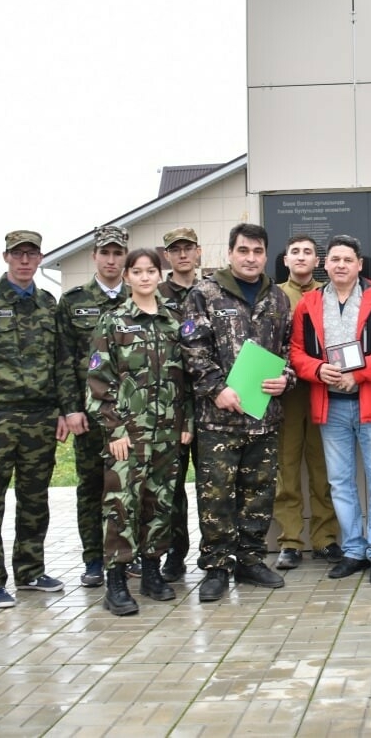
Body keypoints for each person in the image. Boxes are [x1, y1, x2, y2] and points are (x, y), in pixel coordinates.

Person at [0, 230, 72, 608]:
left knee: (34, 501)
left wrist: (61, 410)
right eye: (18, 254)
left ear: (40, 258)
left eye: (32, 254)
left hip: (40, 418)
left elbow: (60, 362)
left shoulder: (47, 303)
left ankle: (30, 571)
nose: (25, 261)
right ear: (6, 257)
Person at [181, 223, 294, 602]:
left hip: (264, 417)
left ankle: (249, 559)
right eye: (243, 250)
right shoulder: (204, 294)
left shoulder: (277, 298)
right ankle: (216, 566)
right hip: (219, 419)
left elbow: (288, 350)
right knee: (216, 495)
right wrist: (217, 388)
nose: (250, 258)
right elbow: (192, 348)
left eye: (257, 251)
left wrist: (286, 379)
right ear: (230, 253)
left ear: (266, 254)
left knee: (258, 493)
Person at [290, 235, 371, 586]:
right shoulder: (308, 304)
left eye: (348, 259)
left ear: (359, 264)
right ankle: (354, 550)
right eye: (335, 259)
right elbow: (296, 351)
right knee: (340, 483)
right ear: (326, 265)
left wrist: (360, 373)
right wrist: (315, 370)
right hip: (331, 408)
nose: (341, 265)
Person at [86, 248, 193, 615]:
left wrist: (187, 423)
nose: (145, 277)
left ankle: (152, 572)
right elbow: (99, 382)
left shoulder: (174, 322)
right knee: (121, 506)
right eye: (138, 271)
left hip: (167, 435)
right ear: (128, 277)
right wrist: (114, 430)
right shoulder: (113, 322)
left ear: (159, 276)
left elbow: (188, 379)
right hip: (128, 437)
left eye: (151, 271)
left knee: (160, 504)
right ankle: (115, 582)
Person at [57, 224, 130, 589]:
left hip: (131, 415)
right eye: (106, 253)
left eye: (118, 253)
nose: (112, 260)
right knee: (91, 487)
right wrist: (70, 410)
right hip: (88, 416)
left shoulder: (139, 297)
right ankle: (94, 559)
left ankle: (127, 554)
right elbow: (63, 360)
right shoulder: (73, 302)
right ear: (94, 256)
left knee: (129, 486)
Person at [273, 235, 342, 570]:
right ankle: (289, 540)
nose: (301, 257)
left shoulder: (329, 294)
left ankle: (325, 537)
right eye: (295, 252)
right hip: (286, 396)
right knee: (286, 469)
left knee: (322, 467)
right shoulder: (272, 296)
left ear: (318, 261)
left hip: (320, 389)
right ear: (285, 260)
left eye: (308, 253)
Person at [158, 227, 202, 582]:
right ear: (167, 255)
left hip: (209, 400)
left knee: (214, 483)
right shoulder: (155, 295)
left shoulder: (212, 291)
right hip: (170, 405)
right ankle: (175, 552)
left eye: (188, 248)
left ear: (198, 252)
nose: (183, 255)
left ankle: (217, 550)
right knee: (171, 487)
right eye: (176, 250)